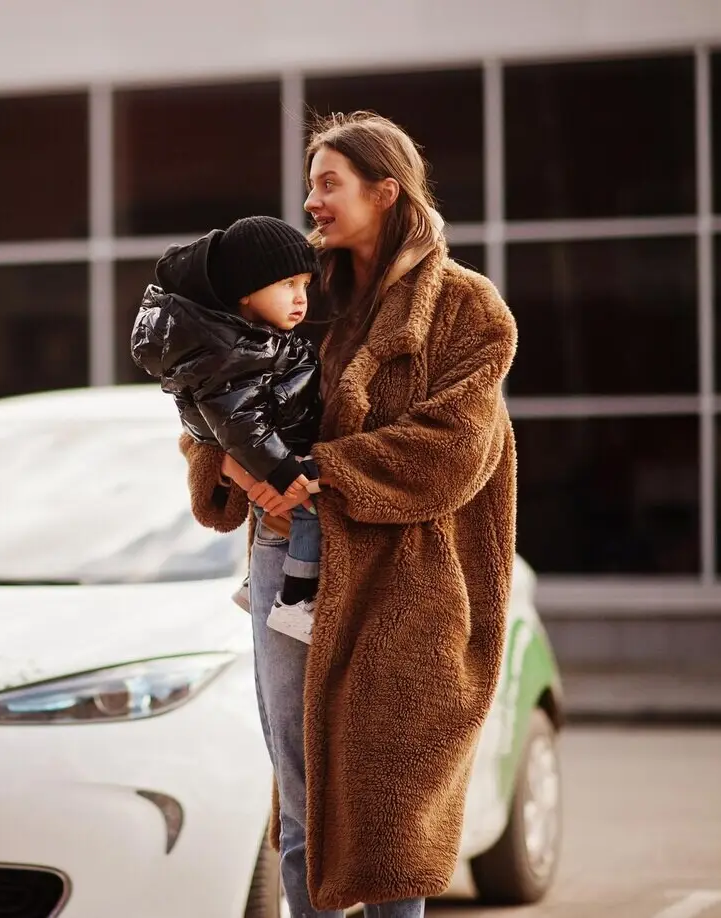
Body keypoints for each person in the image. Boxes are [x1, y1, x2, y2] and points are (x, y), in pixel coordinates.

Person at [177, 110, 519, 917]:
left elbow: (453, 451)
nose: (313, 201)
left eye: (329, 184)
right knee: (301, 801)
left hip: (410, 581)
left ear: (385, 190)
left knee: (392, 815)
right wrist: (232, 463)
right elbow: (208, 391)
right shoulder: (296, 293)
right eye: (310, 185)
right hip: (281, 560)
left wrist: (313, 472)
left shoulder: (470, 311)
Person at [130, 216, 326, 643]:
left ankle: (256, 584)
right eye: (287, 284)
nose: (300, 298)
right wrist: (284, 472)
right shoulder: (234, 350)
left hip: (272, 457)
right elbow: (240, 424)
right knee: (310, 514)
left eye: (306, 285)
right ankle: (296, 600)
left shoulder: (248, 338)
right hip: (276, 461)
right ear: (245, 292)